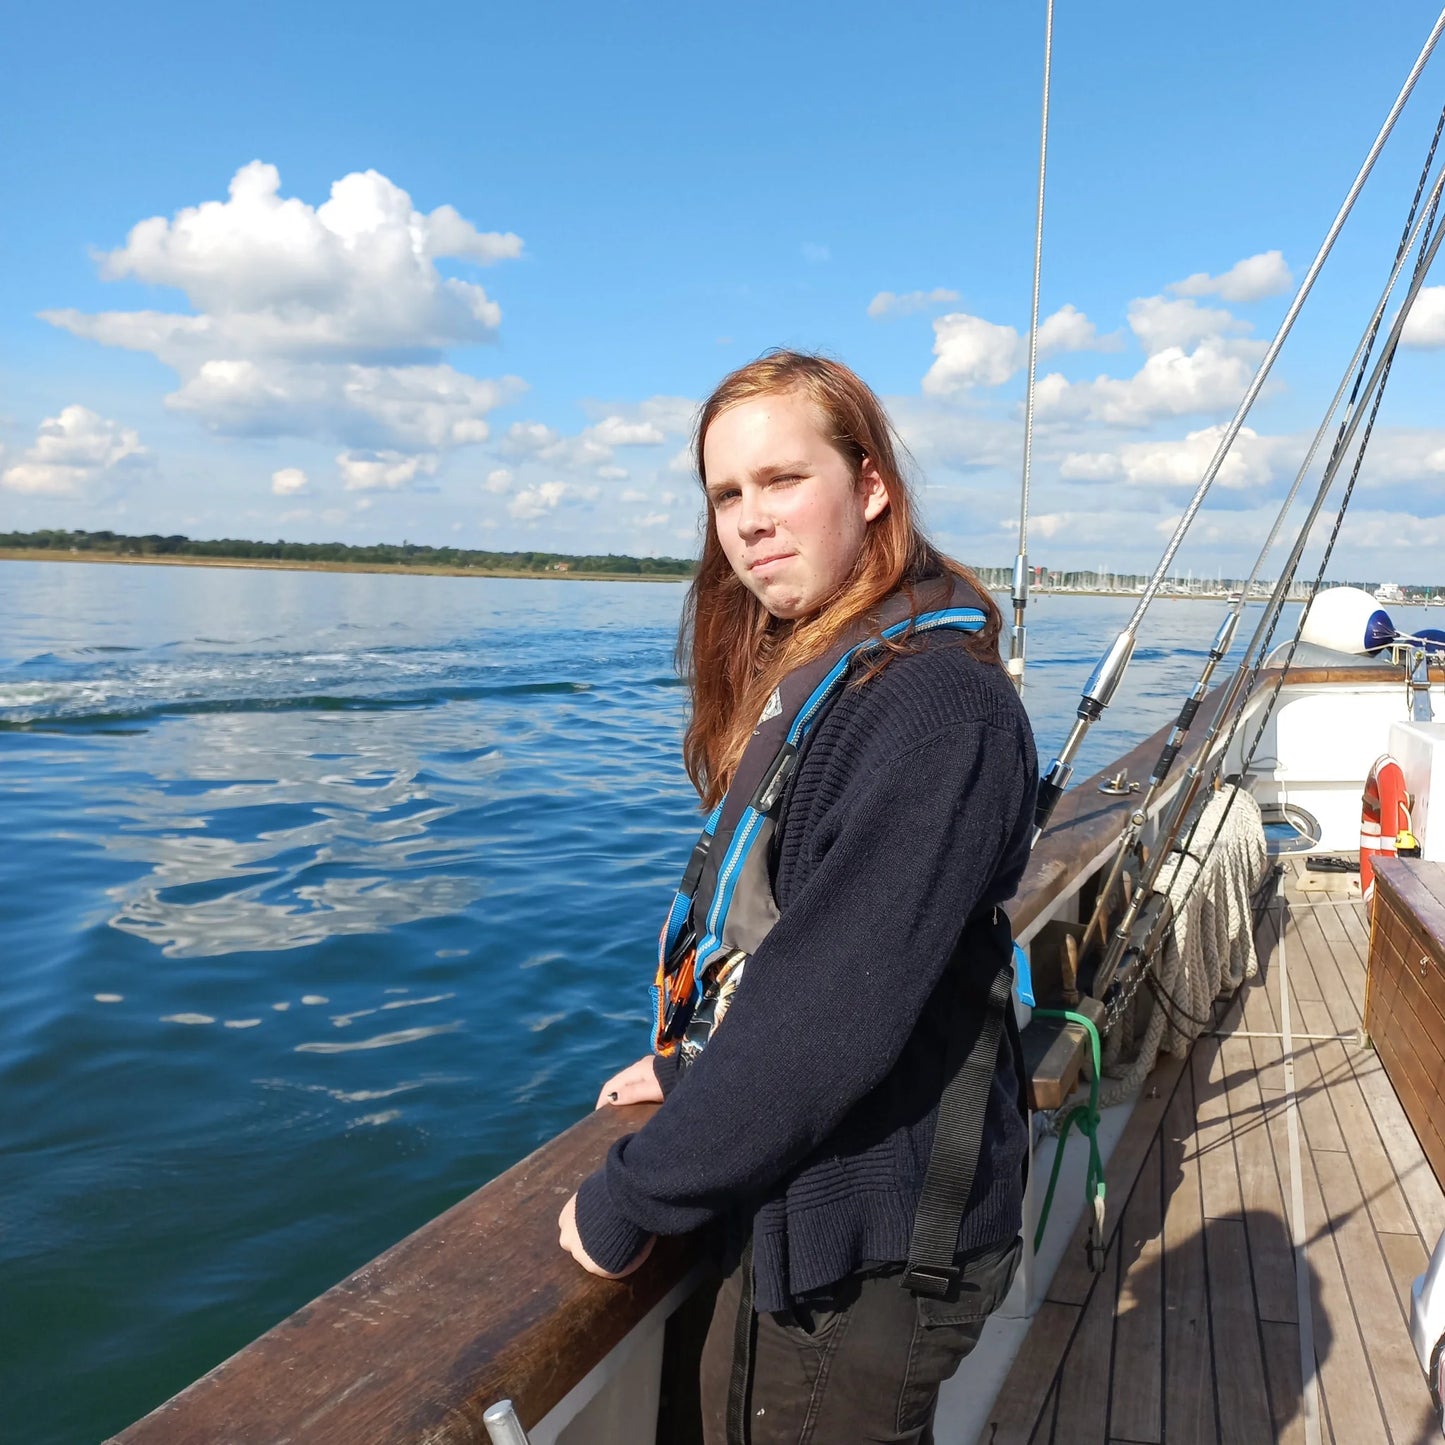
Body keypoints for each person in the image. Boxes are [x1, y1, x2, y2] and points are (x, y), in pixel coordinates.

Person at [557, 350, 1037, 1444]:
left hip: (870, 1249)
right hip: (813, 1206)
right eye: (725, 493)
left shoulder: (934, 713)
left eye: (781, 480)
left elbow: (831, 1008)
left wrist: (630, 1196)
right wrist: (691, 1067)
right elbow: (805, 940)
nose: (748, 521)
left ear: (869, 484)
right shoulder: (847, 674)